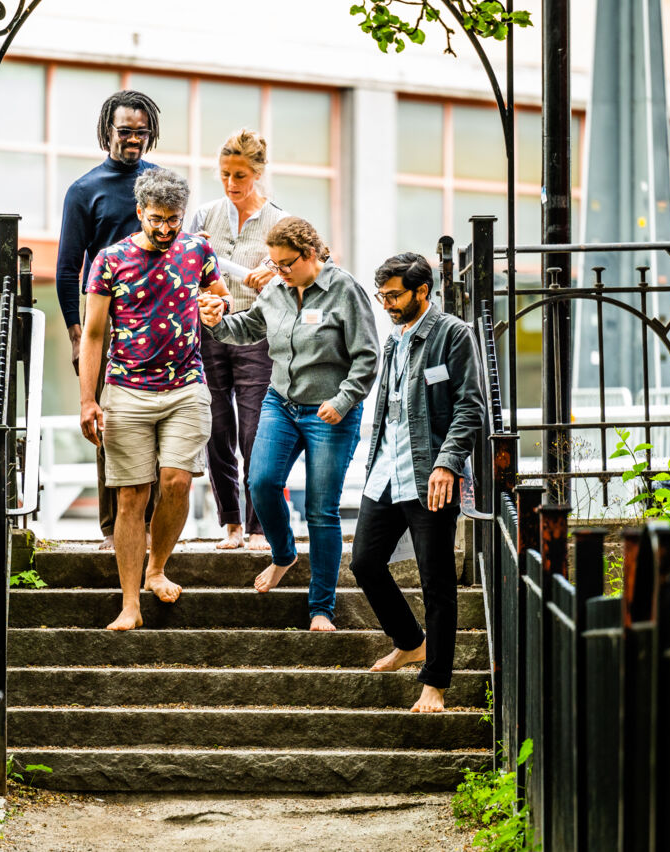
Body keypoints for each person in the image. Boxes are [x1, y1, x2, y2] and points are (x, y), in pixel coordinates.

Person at [198, 217, 378, 632]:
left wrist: (344, 399)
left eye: (285, 264)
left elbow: (367, 356)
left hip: (330, 411)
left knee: (321, 510)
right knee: (260, 482)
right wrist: (216, 323)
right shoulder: (277, 290)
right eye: (274, 264)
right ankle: (283, 554)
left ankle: (321, 608)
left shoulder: (344, 290)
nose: (277, 273)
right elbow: (249, 328)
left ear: (311, 254)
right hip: (281, 403)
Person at [79, 168, 230, 631]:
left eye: (174, 219)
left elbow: (219, 297)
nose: (166, 229)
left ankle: (158, 568)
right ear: (140, 212)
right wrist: (89, 400)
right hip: (126, 389)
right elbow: (93, 334)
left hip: (186, 384)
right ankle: (130, 604)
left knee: (177, 482)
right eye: (157, 218)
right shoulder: (110, 259)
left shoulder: (198, 250)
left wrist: (216, 306)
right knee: (130, 496)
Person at [348, 253, 482, 713]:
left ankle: (436, 683)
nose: (386, 303)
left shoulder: (453, 335)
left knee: (436, 582)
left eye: (394, 295)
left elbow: (470, 407)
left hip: (430, 478)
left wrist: (447, 464)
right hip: (385, 473)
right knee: (365, 563)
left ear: (422, 290)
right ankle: (409, 640)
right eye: (381, 295)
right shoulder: (393, 340)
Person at [55, 90, 162, 550]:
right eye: (125, 131)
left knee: (159, 425)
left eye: (141, 132)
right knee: (109, 428)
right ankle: (110, 529)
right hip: (107, 325)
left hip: (160, 324)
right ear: (107, 131)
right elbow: (66, 268)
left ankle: (154, 527)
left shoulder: (161, 184)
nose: (133, 139)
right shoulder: (85, 190)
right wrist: (77, 336)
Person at [187, 130, 287, 551]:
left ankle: (259, 525)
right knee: (216, 428)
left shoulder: (280, 220)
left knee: (254, 430)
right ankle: (230, 524)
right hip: (210, 329)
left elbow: (292, 274)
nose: (232, 183)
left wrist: (274, 271)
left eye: (241, 175)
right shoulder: (204, 214)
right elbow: (189, 260)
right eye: (226, 174)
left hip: (256, 334)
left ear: (259, 173)